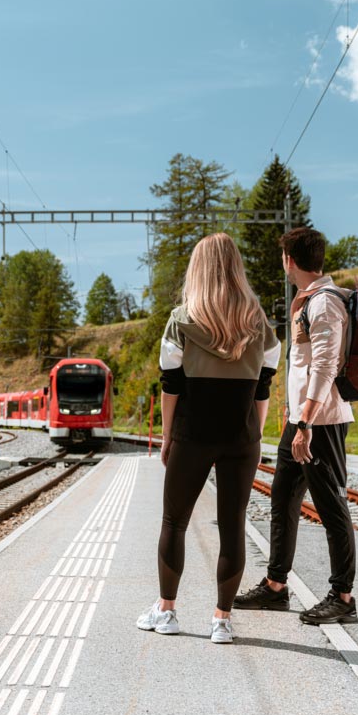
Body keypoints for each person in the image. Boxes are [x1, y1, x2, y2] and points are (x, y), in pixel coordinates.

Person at [136, 232, 281, 643]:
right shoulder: (259, 324)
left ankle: (166, 611)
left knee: (174, 521)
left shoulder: (182, 320)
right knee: (233, 525)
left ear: (197, 270)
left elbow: (171, 386)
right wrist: (254, 434)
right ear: (236, 268)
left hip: (193, 434)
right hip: (241, 438)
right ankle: (222, 620)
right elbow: (263, 389)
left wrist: (168, 436)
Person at [234, 227, 357, 625]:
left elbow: (324, 367)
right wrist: (297, 420)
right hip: (300, 420)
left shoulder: (325, 303)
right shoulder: (308, 299)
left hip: (320, 421)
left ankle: (343, 596)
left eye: (282, 258)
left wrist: (306, 422)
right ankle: (275, 586)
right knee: (283, 498)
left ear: (289, 260)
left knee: (331, 505)